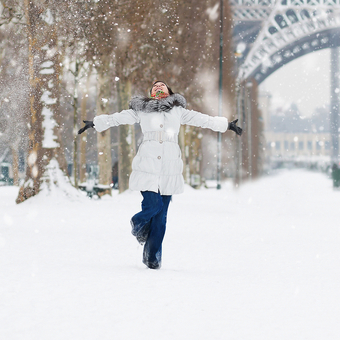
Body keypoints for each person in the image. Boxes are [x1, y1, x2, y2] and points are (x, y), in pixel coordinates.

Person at [78, 80, 242, 269]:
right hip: (147, 163)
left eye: (161, 85)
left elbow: (203, 119)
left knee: (161, 218)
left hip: (169, 167)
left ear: (169, 91)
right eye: (155, 86)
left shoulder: (178, 111)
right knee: (152, 206)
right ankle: (137, 222)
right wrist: (95, 123)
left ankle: (152, 258)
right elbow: (117, 118)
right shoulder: (142, 110)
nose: (158, 87)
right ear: (150, 92)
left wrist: (226, 125)